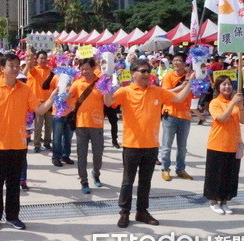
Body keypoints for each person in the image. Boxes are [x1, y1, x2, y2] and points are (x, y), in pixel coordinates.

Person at [104, 59, 193, 228]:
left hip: (151, 145)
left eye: (148, 71)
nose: (146, 74)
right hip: (131, 144)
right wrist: (105, 84)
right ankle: (124, 212)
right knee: (128, 181)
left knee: (145, 182)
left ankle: (142, 212)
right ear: (133, 73)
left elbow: (179, 98)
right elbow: (108, 102)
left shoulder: (157, 91)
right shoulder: (125, 91)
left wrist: (190, 82)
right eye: (143, 71)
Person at [0, 53, 57, 231]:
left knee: (14, 184)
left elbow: (39, 109)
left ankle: (13, 217)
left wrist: (53, 96)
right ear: (2, 68)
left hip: (18, 143)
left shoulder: (25, 89)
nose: (15, 69)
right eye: (11, 65)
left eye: (17, 65)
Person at [204, 75, 244, 214]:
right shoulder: (215, 103)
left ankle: (224, 201)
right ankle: (214, 201)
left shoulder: (235, 102)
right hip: (217, 144)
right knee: (215, 175)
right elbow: (222, 118)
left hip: (233, 144)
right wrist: (232, 103)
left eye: (229, 84)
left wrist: (240, 107)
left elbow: (243, 120)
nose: (227, 87)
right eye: (223, 85)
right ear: (218, 87)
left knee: (230, 175)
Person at [70, 58, 105, 194]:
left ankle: (96, 174)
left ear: (93, 68)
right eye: (82, 69)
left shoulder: (101, 83)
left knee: (98, 154)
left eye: (87, 68)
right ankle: (84, 181)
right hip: (81, 124)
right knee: (81, 155)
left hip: (97, 124)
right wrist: (62, 90)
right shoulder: (77, 83)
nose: (84, 71)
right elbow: (68, 96)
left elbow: (108, 102)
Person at [159, 53, 194, 181]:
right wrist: (181, 86)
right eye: (174, 60)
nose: (176, 63)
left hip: (185, 115)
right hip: (170, 114)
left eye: (179, 60)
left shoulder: (190, 76)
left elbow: (197, 91)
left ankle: (180, 169)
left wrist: (192, 81)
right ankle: (165, 168)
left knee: (182, 147)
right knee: (167, 145)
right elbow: (165, 92)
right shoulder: (169, 75)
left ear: (185, 63)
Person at [24, 51, 53, 152]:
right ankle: (37, 144)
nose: (43, 60)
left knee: (49, 124)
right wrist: (30, 57)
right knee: (38, 124)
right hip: (38, 102)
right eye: (41, 58)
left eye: (45, 58)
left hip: (49, 101)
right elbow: (29, 66)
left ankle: (47, 142)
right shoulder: (34, 70)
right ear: (37, 59)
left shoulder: (51, 71)